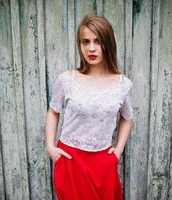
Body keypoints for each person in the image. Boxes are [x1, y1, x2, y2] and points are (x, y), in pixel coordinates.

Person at [45, 14, 133, 200]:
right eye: (85, 42)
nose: (91, 48)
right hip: (70, 161)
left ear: (108, 44)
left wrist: (117, 152)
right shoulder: (67, 79)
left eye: (97, 41)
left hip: (103, 164)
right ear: (80, 45)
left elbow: (127, 117)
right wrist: (51, 148)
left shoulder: (122, 84)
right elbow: (54, 111)